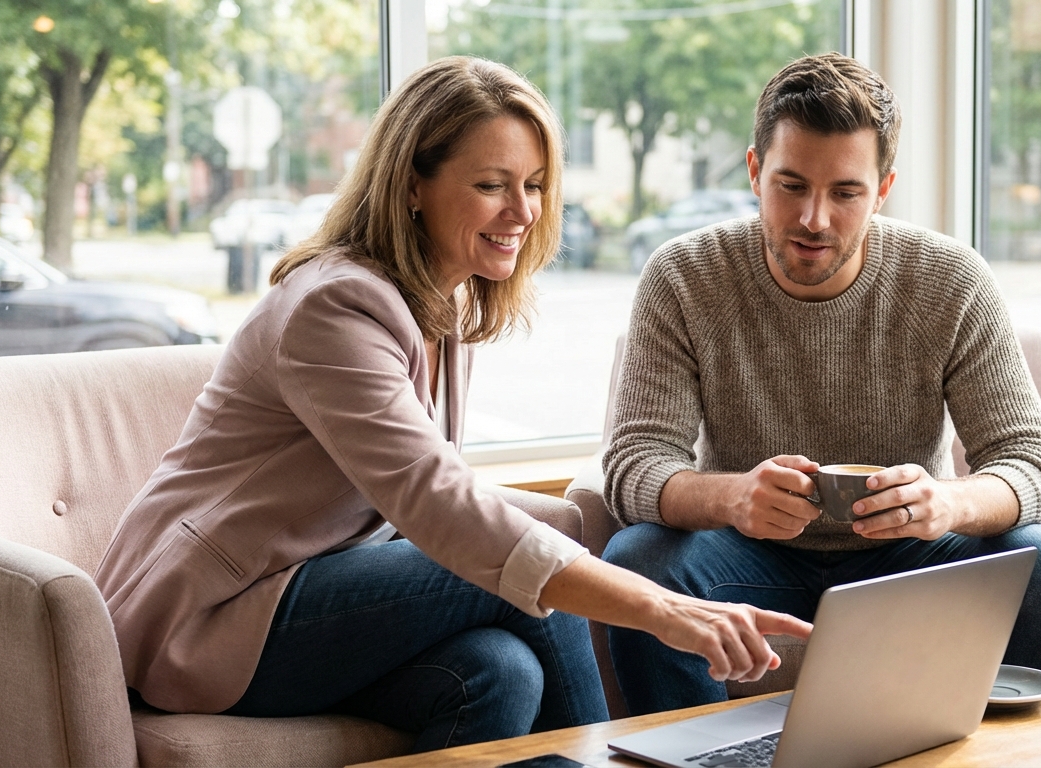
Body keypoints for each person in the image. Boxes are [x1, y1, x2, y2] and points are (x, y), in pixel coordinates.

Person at [94, 56, 810, 753]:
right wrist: (665, 609)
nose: (523, 211)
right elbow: (436, 502)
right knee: (509, 576)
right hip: (203, 617)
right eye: (492, 185)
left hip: (300, 593)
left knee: (498, 673)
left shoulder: (440, 301)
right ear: (412, 185)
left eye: (533, 184)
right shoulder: (332, 306)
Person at [601, 53, 1041, 716]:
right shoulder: (683, 277)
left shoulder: (950, 279)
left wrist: (947, 503)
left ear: (883, 188)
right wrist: (734, 497)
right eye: (791, 185)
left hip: (909, 560)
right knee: (638, 561)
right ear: (754, 171)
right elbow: (634, 468)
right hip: (746, 560)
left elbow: (1033, 465)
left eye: (845, 192)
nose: (814, 219)